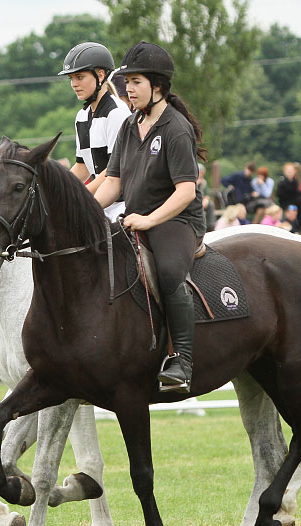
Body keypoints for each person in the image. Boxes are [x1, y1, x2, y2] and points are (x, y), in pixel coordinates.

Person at [95, 41, 205, 391]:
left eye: (136, 81)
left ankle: (182, 361)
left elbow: (186, 191)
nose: (128, 88)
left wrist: (148, 220)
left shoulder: (175, 129)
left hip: (177, 222)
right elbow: (113, 181)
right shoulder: (130, 125)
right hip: (135, 218)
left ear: (157, 86)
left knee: (170, 271)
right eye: (126, 82)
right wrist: (85, 212)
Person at [59, 42, 131, 221]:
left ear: (100, 75)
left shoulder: (117, 113)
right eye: (71, 79)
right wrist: (58, 187)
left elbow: (113, 171)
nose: (74, 84)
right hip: (97, 200)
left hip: (122, 206)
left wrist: (79, 195)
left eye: (79, 77)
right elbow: (82, 166)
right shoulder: (81, 116)